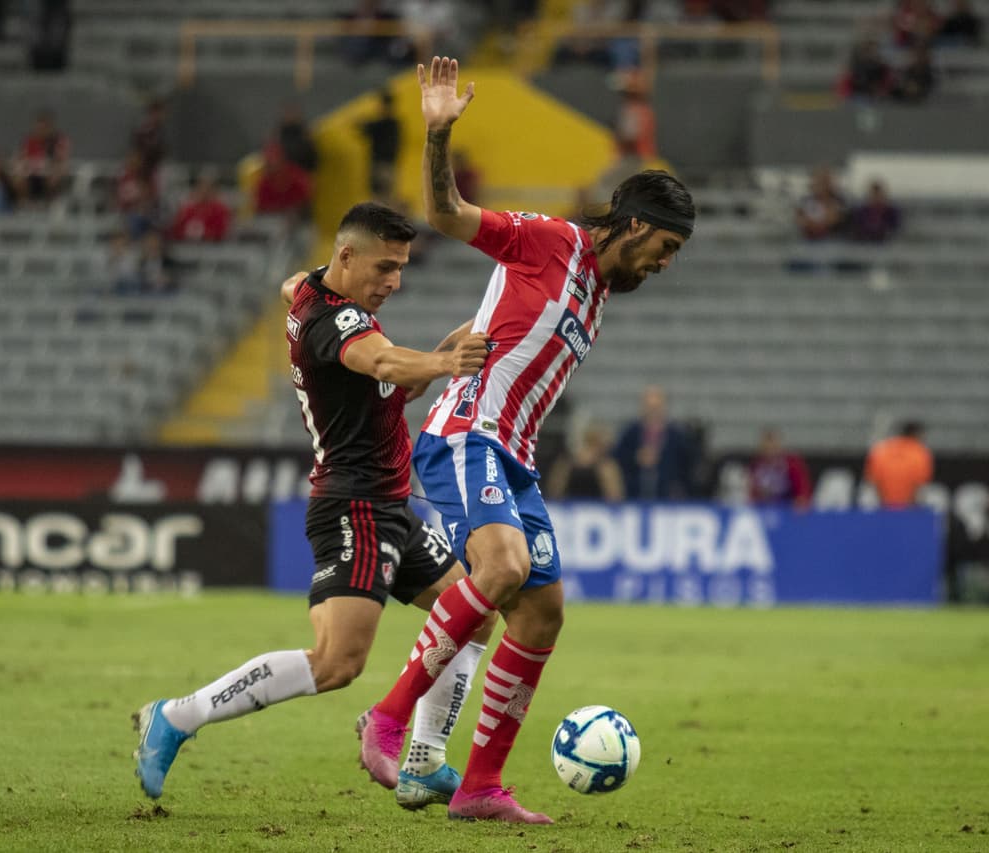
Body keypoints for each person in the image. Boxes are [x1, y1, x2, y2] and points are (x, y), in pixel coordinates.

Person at [357, 56, 694, 824]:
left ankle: (479, 786)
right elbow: (445, 212)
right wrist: (439, 134)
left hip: (514, 458)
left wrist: (443, 354)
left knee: (543, 614)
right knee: (503, 565)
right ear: (634, 224)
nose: (667, 264)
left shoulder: (599, 292)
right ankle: (385, 716)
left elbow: (490, 325)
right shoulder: (547, 242)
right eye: (665, 247)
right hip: (468, 436)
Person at [133, 201, 498, 810]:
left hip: (390, 506)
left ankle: (425, 760)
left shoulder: (314, 292)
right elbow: (380, 361)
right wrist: (443, 361)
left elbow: (385, 376)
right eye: (385, 267)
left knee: (475, 614)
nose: (395, 281)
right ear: (348, 256)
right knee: (337, 663)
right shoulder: (336, 324)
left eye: (401, 268)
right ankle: (175, 717)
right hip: (353, 506)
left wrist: (436, 354)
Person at [613, 385, 696, 500]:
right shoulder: (630, 433)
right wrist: (636, 458)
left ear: (664, 407)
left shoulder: (677, 435)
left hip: (668, 497)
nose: (653, 412)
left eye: (656, 407)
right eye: (649, 407)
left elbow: (687, 465)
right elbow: (617, 458)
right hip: (633, 494)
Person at [544, 423, 625, 501]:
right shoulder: (566, 463)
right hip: (568, 507)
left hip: (599, 508)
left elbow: (616, 497)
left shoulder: (607, 466)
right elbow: (553, 493)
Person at [863, 420, 933, 507]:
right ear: (916, 434)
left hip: (883, 507)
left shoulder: (881, 449)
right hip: (908, 507)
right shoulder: (920, 452)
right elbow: (920, 485)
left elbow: (873, 481)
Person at [746, 427, 811, 508]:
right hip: (763, 508)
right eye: (766, 446)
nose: (770, 448)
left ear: (779, 445)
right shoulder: (755, 466)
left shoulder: (792, 464)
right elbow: (751, 492)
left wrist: (801, 500)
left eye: (773, 445)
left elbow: (803, 490)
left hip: (788, 508)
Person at [361, 89, 401, 203]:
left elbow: (367, 128)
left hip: (382, 165)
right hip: (388, 166)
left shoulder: (386, 123)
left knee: (381, 198)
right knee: (383, 197)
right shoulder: (394, 124)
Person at [848, 179, 902, 243]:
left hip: (884, 240)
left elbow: (895, 229)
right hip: (864, 241)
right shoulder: (861, 211)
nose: (876, 198)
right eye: (873, 195)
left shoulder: (891, 212)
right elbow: (856, 227)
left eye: (878, 195)